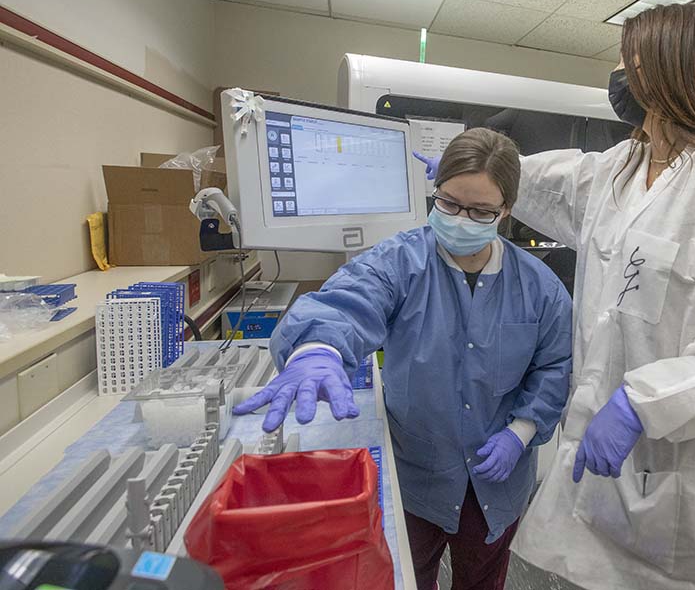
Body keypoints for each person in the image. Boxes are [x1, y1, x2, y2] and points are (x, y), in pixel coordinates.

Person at [417, 4, 695, 590]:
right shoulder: (623, 167)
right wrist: (472, 181)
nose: (616, 78)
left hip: (680, 473)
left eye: (625, 63)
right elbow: (547, 182)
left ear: (664, 71)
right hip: (596, 454)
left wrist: (643, 403)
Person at [235, 128, 573, 590]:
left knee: (482, 580)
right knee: (406, 577)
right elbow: (348, 301)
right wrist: (318, 348)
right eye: (449, 203)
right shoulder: (400, 262)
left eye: (480, 212)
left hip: (498, 482)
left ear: (506, 210)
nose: (460, 219)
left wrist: (523, 431)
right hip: (417, 474)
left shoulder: (539, 287)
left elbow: (554, 366)